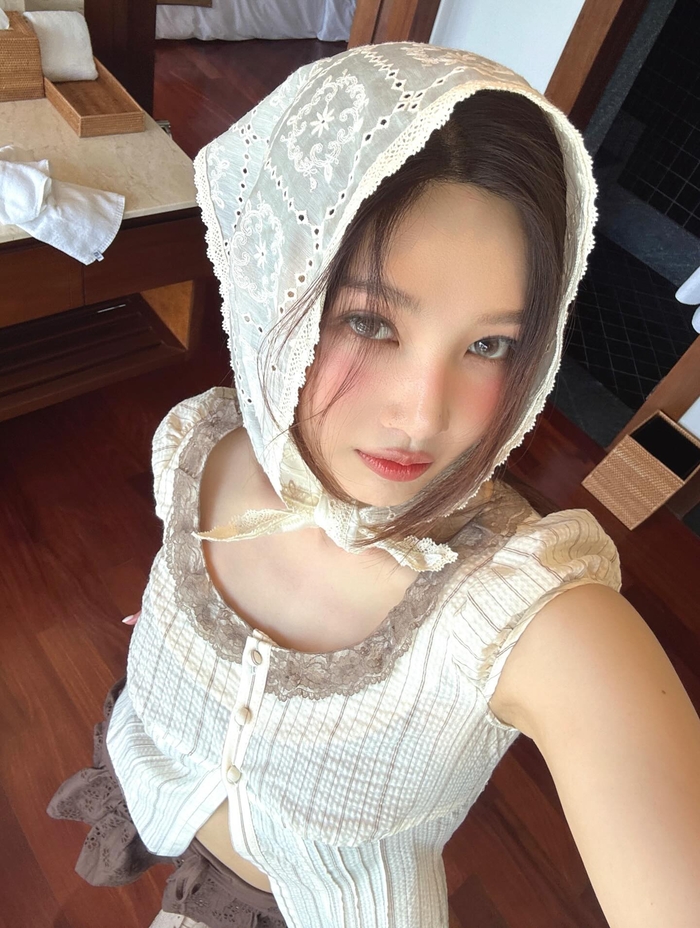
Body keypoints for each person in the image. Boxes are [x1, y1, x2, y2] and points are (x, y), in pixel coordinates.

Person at [47, 43, 700, 928]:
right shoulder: (198, 443)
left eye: (491, 345)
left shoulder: (527, 610)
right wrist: (176, 635)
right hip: (167, 807)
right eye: (370, 321)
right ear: (276, 290)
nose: (423, 416)